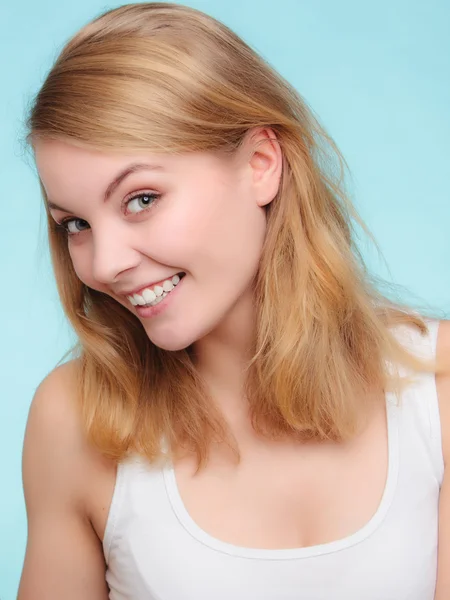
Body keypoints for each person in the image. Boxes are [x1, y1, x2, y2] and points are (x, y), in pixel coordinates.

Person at [18, 2, 450, 599]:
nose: (105, 262)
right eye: (74, 224)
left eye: (141, 199)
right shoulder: (75, 420)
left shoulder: (437, 387)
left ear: (260, 164)